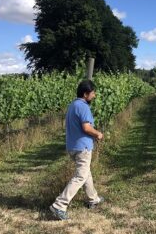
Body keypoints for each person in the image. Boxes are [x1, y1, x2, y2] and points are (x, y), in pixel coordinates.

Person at [49, 80, 104, 220]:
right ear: (86, 94)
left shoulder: (73, 105)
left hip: (72, 146)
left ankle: (93, 199)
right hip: (82, 147)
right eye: (92, 93)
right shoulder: (84, 107)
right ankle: (59, 205)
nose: (94, 95)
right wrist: (97, 133)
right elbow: (86, 127)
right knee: (80, 176)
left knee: (86, 174)